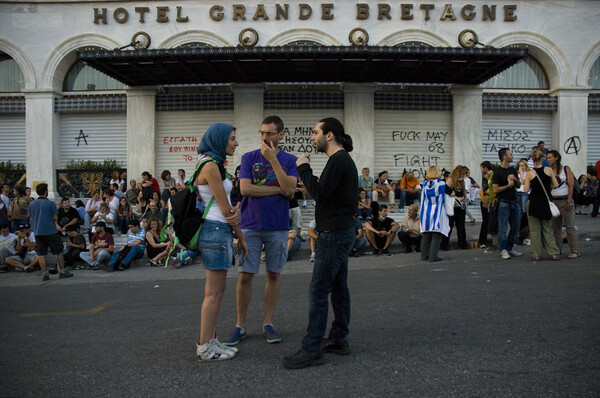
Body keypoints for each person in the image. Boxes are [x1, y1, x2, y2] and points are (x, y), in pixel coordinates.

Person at [283, 117, 357, 369]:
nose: (312, 137)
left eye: (315, 132)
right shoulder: (340, 160)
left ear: (329, 135)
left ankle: (312, 347)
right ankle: (338, 339)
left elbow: (320, 194)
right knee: (338, 288)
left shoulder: (338, 160)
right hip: (339, 231)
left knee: (319, 291)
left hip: (334, 234)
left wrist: (303, 167)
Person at [224, 115, 298, 347]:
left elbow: (290, 191)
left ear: (280, 135)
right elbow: (245, 189)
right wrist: (278, 189)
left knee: (274, 274)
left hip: (277, 226)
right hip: (250, 225)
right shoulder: (248, 158)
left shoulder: (289, 160)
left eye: (270, 133)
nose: (265, 137)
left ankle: (268, 323)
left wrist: (273, 161)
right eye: (262, 133)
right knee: (245, 275)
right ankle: (240, 325)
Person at [195, 122, 248, 362]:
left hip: (217, 230)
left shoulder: (212, 163)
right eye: (232, 138)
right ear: (219, 139)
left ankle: (211, 340)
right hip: (216, 230)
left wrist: (233, 214)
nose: (236, 143)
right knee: (213, 293)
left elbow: (226, 208)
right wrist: (241, 235)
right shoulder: (210, 166)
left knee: (217, 291)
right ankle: (205, 346)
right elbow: (225, 210)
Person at [27, 183, 71, 281]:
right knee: (59, 250)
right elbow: (55, 217)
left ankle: (44, 273)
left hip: (38, 231)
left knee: (41, 254)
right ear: (46, 192)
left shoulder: (32, 204)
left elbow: (30, 217)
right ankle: (62, 271)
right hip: (50, 231)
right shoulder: (50, 204)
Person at [522, 148, 560, 261]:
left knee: (534, 229)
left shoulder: (530, 173)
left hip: (534, 202)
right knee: (547, 228)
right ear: (542, 158)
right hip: (546, 202)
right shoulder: (549, 170)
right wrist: (548, 187)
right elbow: (556, 185)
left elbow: (526, 189)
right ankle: (553, 253)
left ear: (532, 159)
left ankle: (536, 254)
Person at [547, 150, 579, 259]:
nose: (548, 159)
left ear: (556, 158)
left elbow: (571, 185)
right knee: (556, 227)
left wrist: (569, 201)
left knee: (570, 226)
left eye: (550, 157)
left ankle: (574, 250)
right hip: (554, 201)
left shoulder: (565, 168)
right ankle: (558, 249)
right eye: (547, 158)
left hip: (565, 200)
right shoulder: (549, 170)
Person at [493, 148, 523, 260]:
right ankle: (503, 249)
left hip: (514, 202)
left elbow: (519, 186)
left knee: (515, 227)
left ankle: (510, 247)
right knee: (502, 228)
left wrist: (515, 179)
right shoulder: (497, 172)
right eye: (510, 154)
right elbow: (495, 189)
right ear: (504, 157)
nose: (512, 156)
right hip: (503, 203)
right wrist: (507, 186)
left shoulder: (512, 170)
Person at [419, 166, 450, 262]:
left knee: (426, 235)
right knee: (436, 234)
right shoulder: (441, 184)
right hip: (437, 211)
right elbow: (451, 193)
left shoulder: (425, 184)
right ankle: (433, 256)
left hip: (425, 212)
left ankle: (424, 255)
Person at [441, 165, 469, 251]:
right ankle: (444, 244)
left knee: (461, 225)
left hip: (460, 206)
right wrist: (456, 198)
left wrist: (465, 199)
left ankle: (462, 243)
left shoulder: (462, 181)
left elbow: (464, 191)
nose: (462, 177)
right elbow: (447, 193)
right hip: (452, 206)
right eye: (462, 174)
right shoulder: (450, 180)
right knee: (449, 225)